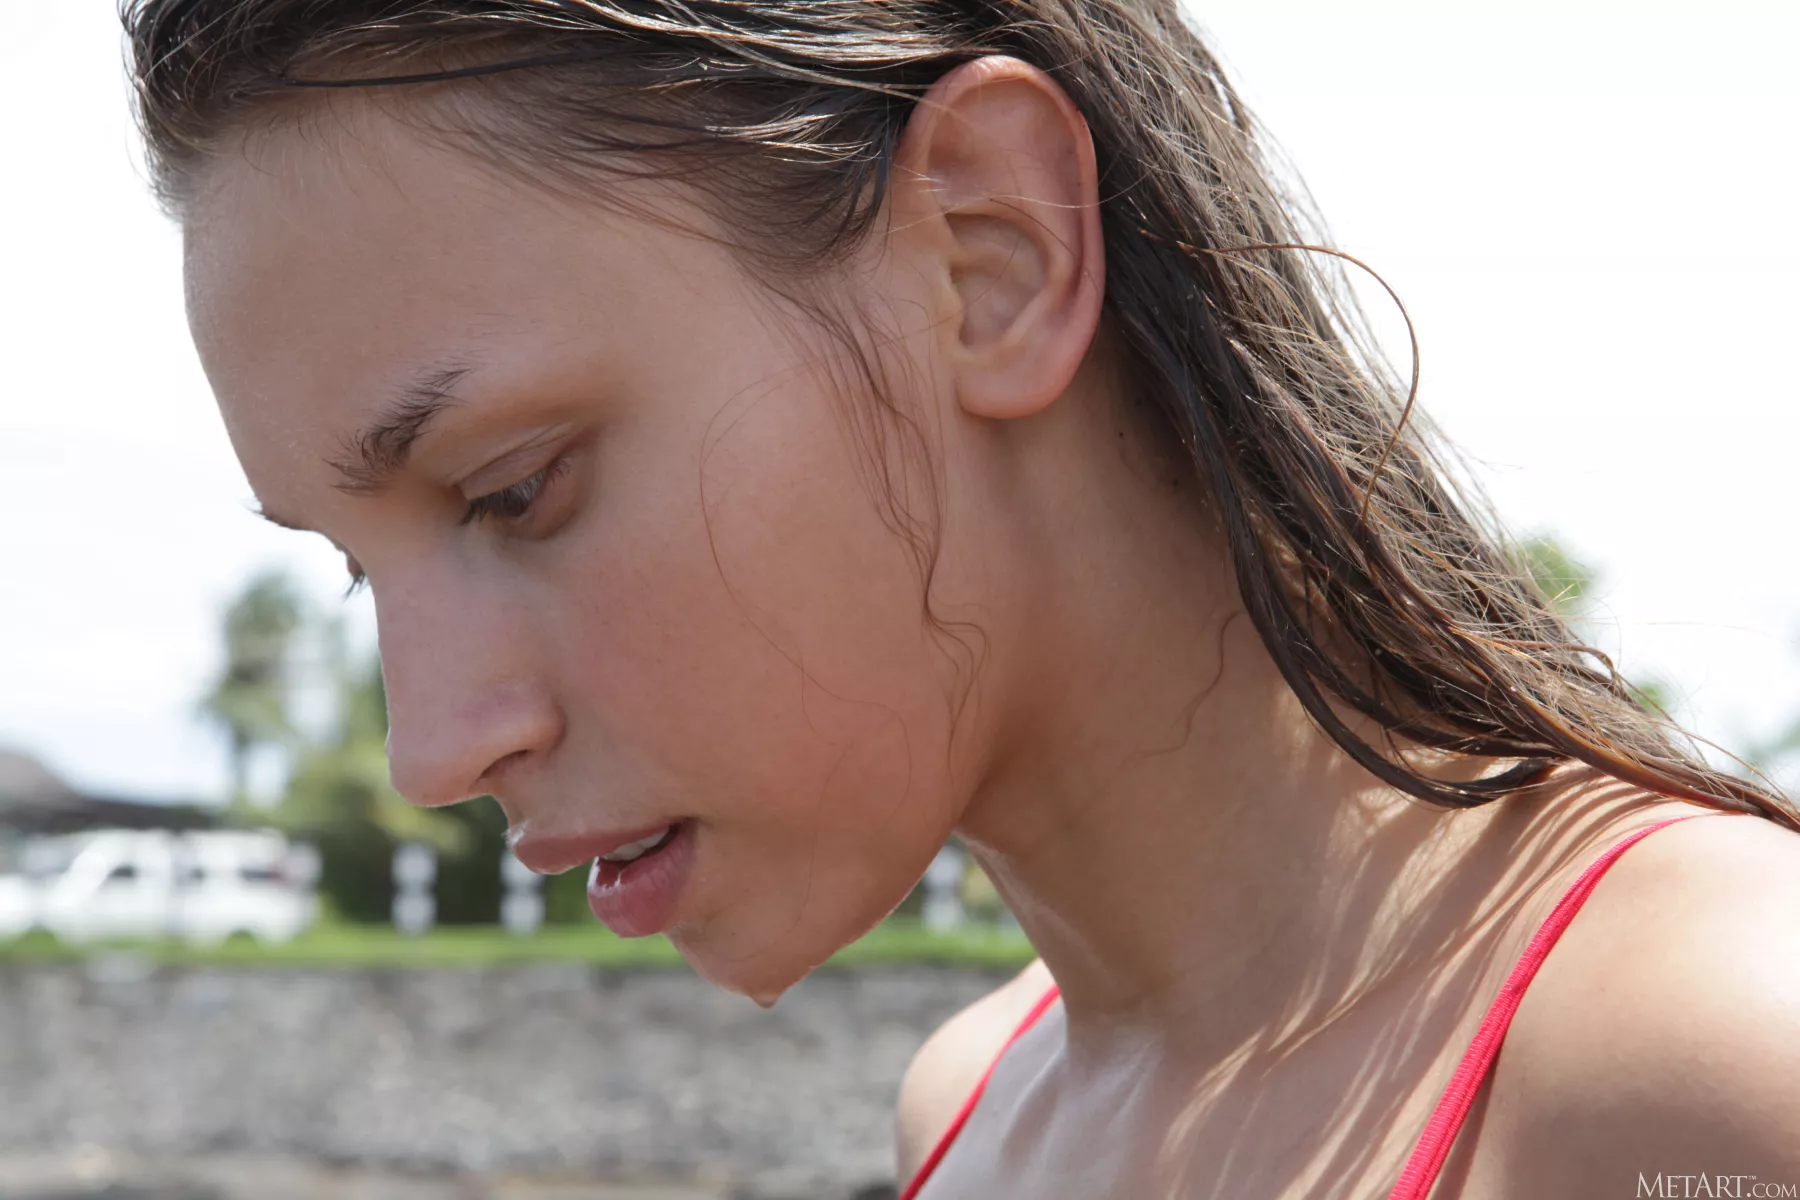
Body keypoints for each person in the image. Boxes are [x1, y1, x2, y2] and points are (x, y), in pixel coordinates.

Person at [124, 2, 1800, 1195]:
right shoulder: (971, 1117)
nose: (430, 748)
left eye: (515, 488)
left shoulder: (1719, 1074)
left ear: (992, 254)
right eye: (361, 568)